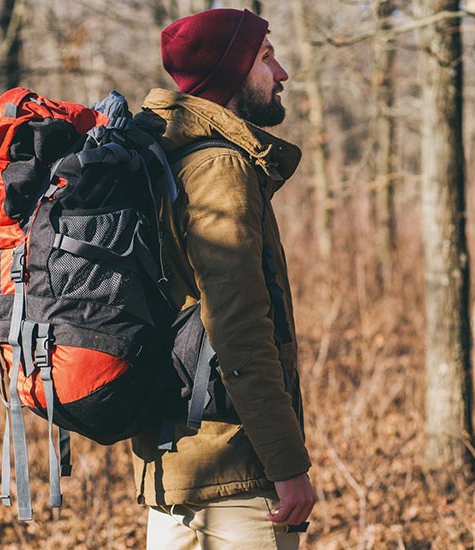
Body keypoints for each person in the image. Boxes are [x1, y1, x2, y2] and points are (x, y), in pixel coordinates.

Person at [131, 8, 316, 550]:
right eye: (265, 57)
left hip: (179, 467)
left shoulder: (171, 160)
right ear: (231, 72)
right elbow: (238, 327)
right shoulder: (219, 170)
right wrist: (286, 463)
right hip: (230, 475)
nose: (281, 73)